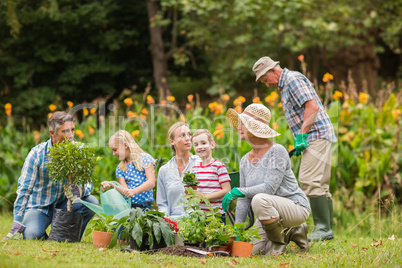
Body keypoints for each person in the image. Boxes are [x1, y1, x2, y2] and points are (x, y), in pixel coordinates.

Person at [252, 56, 337, 241]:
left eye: (266, 80)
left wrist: (302, 135)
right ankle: (327, 230)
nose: (267, 85)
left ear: (273, 71)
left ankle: (323, 229)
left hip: (316, 136)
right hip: (316, 136)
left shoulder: (292, 80)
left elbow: (312, 106)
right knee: (320, 184)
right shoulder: (286, 85)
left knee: (309, 181)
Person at [223, 103, 311, 255]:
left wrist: (238, 191)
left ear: (255, 128)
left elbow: (269, 189)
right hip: (269, 213)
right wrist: (238, 229)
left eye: (243, 124)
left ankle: (279, 241)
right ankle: (292, 232)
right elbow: (244, 199)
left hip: (295, 206)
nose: (238, 127)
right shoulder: (244, 160)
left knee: (259, 199)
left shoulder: (277, 151)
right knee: (250, 251)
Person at [4, 111, 98, 241]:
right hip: (39, 207)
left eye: (72, 130)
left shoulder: (79, 151)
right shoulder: (36, 154)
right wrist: (17, 222)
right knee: (32, 235)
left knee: (91, 202)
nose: (71, 135)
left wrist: (80, 190)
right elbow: (24, 189)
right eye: (65, 131)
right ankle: (53, 238)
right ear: (52, 133)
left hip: (66, 205)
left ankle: (69, 237)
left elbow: (88, 182)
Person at [100, 130, 155, 211]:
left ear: (125, 145)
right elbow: (125, 191)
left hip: (144, 206)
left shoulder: (146, 159)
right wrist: (112, 184)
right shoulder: (120, 168)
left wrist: (134, 191)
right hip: (128, 207)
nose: (113, 154)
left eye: (115, 150)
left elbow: (151, 182)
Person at [156, 122, 200, 218]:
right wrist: (167, 220)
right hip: (173, 224)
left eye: (189, 134)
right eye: (182, 135)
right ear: (172, 141)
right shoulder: (164, 170)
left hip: (197, 222)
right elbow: (162, 204)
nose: (188, 138)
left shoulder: (200, 164)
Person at [191, 129, 231, 223]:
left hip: (215, 214)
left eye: (203, 143)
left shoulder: (218, 166)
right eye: (196, 145)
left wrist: (205, 196)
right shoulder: (195, 167)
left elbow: (227, 190)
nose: (200, 147)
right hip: (200, 214)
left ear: (212, 145)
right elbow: (194, 190)